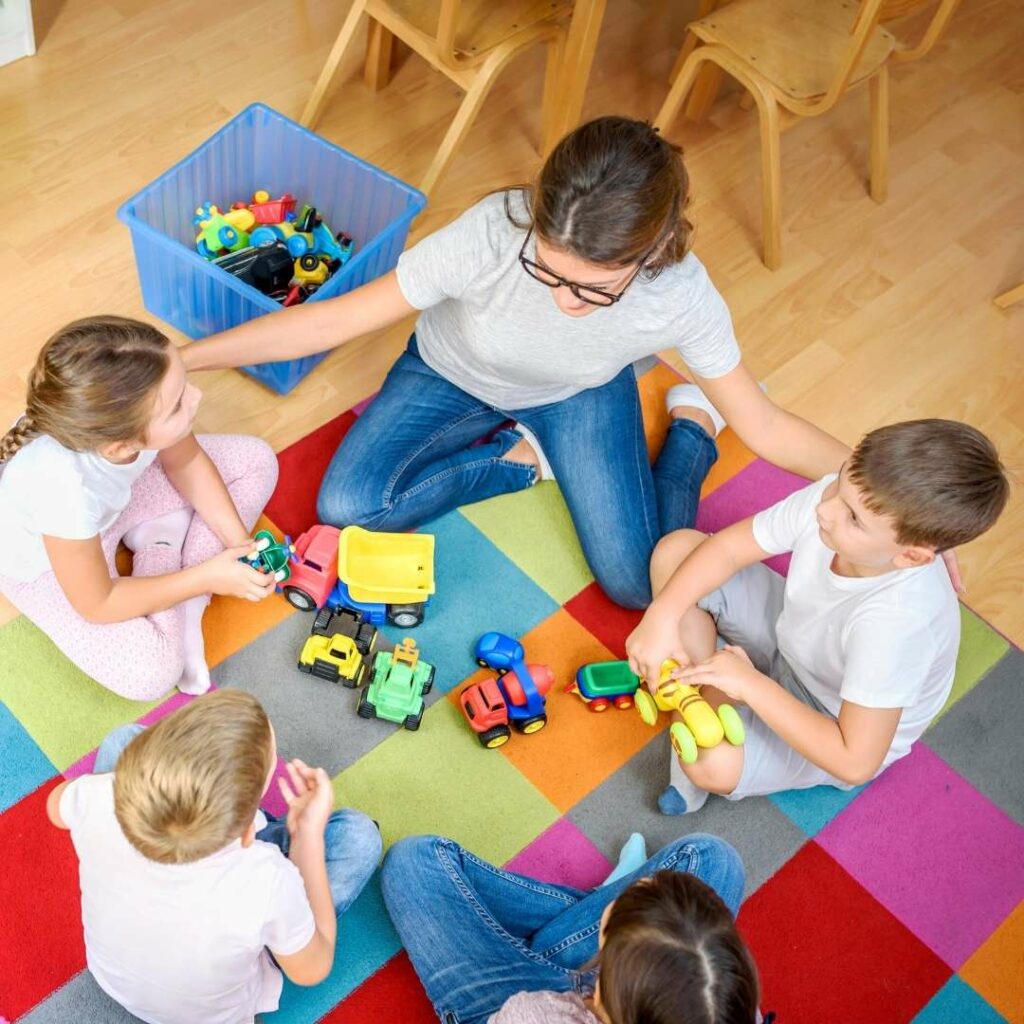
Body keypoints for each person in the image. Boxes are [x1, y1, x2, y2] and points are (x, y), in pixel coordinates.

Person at [180, 116, 847, 608]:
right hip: (448, 373)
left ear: (657, 246)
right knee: (350, 504)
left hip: (576, 396)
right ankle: (520, 463)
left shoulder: (679, 294)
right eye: (548, 272)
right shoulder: (492, 232)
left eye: (593, 289)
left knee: (644, 584)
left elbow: (766, 427)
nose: (564, 301)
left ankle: (694, 431)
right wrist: (183, 360)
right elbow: (332, 318)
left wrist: (892, 502)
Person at [625, 419, 1009, 815]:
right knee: (677, 551)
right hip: (791, 637)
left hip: (829, 716)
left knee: (712, 764)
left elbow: (855, 761)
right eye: (841, 483)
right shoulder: (835, 502)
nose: (825, 510)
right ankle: (706, 688)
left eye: (854, 519)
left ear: (911, 555)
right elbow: (727, 550)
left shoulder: (897, 625)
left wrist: (751, 685)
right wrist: (662, 615)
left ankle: (703, 688)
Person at [46, 689, 382, 1024]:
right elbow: (312, 969)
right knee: (360, 836)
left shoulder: (99, 796)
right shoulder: (267, 879)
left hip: (114, 977)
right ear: (250, 832)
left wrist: (123, 785)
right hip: (213, 1009)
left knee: (122, 739)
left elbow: (55, 806)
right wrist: (307, 837)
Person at [0, 315, 280, 699]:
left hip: (109, 512)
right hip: (50, 566)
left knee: (257, 460)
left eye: (183, 384)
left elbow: (186, 461)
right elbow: (98, 604)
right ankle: (170, 559)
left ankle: (183, 586)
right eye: (178, 404)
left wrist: (239, 544)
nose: (196, 398)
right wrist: (204, 578)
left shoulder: (121, 420)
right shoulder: (63, 490)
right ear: (121, 446)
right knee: (149, 674)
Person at [380, 831, 759, 1024]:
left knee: (415, 861)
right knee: (713, 857)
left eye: (616, 906)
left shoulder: (527, 1014)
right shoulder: (719, 1008)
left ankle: (573, 922)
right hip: (623, 996)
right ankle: (588, 915)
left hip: (508, 1005)